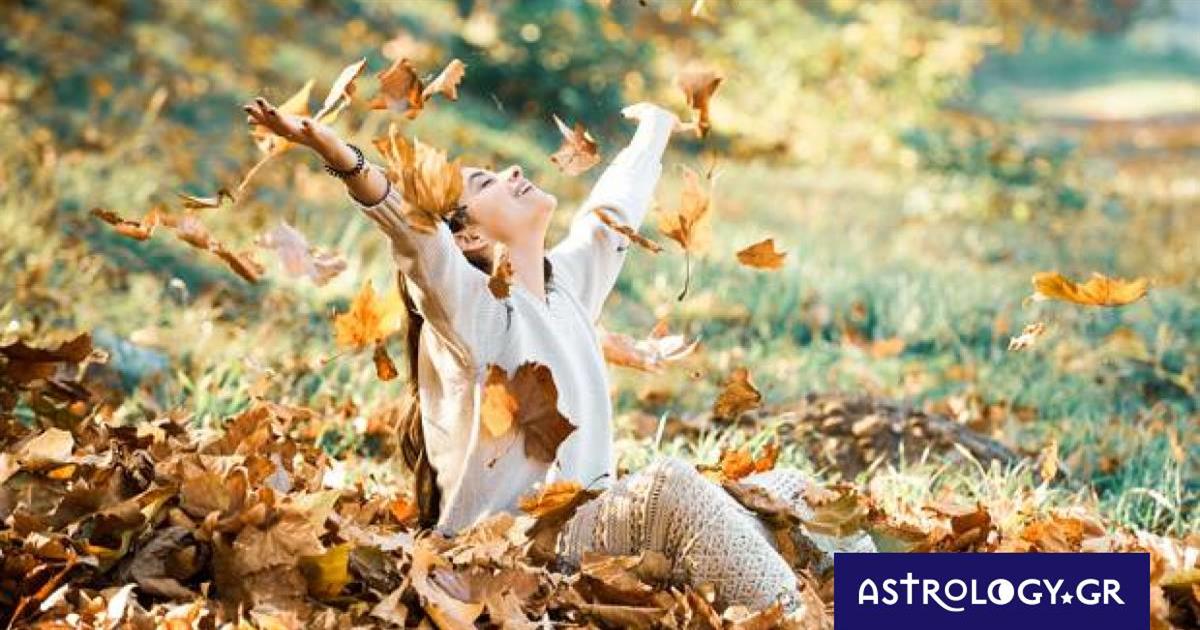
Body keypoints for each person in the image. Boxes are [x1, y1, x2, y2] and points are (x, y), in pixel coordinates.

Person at [244, 96, 872, 617]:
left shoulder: (563, 286)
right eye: (488, 184)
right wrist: (339, 156)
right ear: (465, 235)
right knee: (674, 486)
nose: (513, 173)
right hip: (519, 550)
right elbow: (414, 235)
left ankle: (911, 606)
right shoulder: (470, 316)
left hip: (592, 527)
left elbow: (609, 219)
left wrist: (654, 130)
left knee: (781, 489)